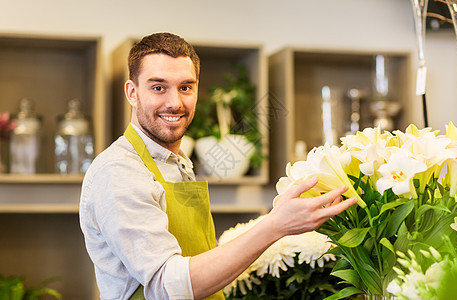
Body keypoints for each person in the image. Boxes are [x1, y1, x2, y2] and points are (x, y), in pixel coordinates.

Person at [79, 32, 357, 300]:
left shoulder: (178, 163)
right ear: (132, 92)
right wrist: (275, 226)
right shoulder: (119, 171)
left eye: (185, 87)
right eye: (158, 87)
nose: (175, 102)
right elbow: (167, 286)